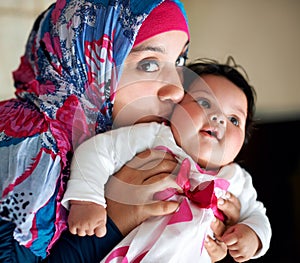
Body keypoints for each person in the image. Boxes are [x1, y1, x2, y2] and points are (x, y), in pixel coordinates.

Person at [0, 0, 239, 262]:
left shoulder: (145, 139)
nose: (178, 90)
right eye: (149, 65)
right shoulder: (24, 144)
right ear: (88, 62)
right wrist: (116, 220)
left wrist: (207, 230)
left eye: (180, 60)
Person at [62, 59, 272, 262]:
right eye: (205, 103)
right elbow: (98, 151)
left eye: (234, 119)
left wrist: (253, 236)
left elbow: (257, 215)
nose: (218, 118)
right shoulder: (155, 137)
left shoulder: (236, 180)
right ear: (174, 109)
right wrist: (87, 199)